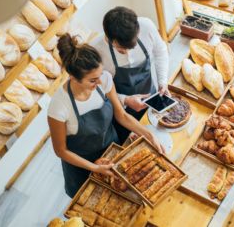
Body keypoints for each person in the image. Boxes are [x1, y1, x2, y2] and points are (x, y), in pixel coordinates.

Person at [47, 34, 165, 198]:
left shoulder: (105, 80)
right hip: (82, 167)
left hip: (112, 152)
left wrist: (148, 134)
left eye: (100, 75)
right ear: (73, 77)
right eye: (93, 80)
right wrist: (94, 168)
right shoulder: (59, 106)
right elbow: (60, 150)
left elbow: (121, 115)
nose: (100, 82)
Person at [91, 6, 169, 144]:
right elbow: (96, 91)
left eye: (131, 48)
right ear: (110, 40)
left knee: (160, 137)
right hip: (122, 112)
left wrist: (163, 81)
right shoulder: (96, 52)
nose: (128, 54)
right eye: (121, 50)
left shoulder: (146, 26)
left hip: (151, 100)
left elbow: (160, 51)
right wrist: (125, 100)